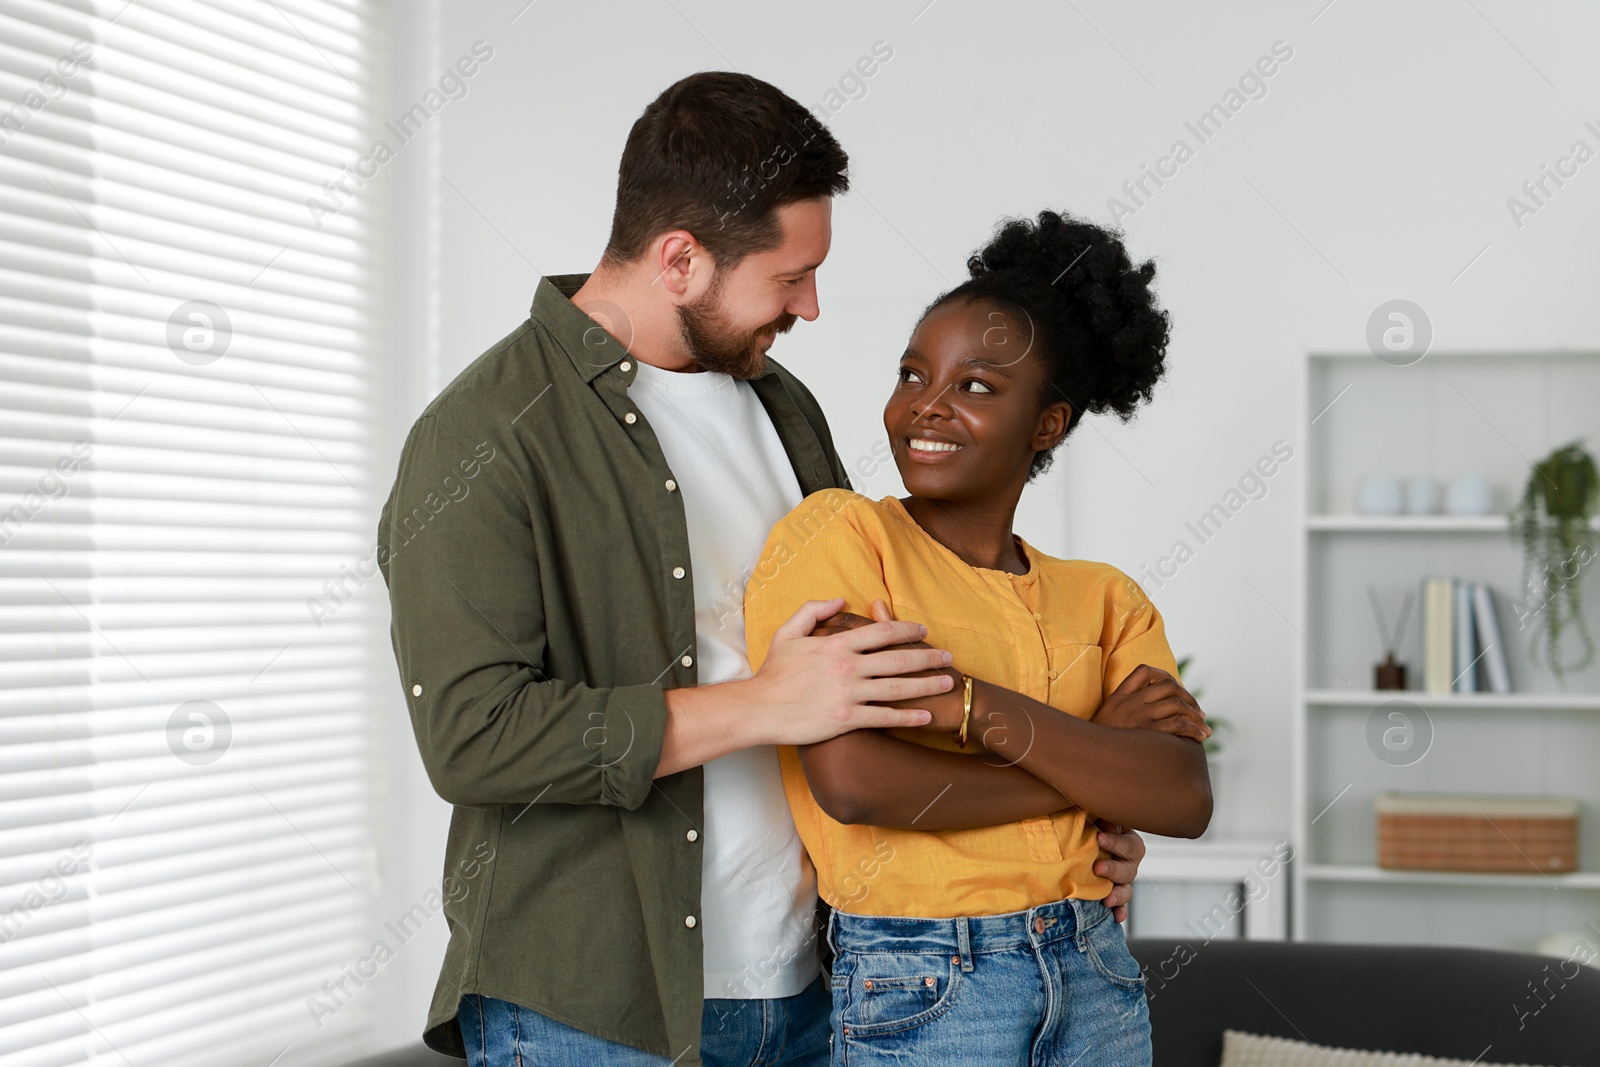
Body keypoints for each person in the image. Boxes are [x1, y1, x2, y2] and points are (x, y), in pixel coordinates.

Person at [377, 72, 1151, 1067]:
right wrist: (761, 703)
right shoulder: (481, 435)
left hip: (819, 983)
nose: (813, 306)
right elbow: (473, 739)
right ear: (681, 258)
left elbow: (869, 685)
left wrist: (1066, 831)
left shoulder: (783, 405)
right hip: (593, 1011)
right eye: (790, 278)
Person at [743, 209, 1213, 1065]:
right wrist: (1095, 760)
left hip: (1096, 972)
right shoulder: (841, 539)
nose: (927, 405)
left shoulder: (1108, 598)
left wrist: (969, 706)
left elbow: (1181, 797)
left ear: (1048, 425)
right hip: (922, 979)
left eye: (977, 387)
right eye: (913, 373)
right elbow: (857, 781)